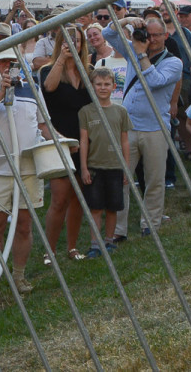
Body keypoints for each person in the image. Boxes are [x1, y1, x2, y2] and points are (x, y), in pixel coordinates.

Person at [0, 47, 51, 295]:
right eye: (2, 61)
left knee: (24, 225)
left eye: (11, 62)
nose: (7, 66)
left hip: (27, 168)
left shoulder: (32, 89)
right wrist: (1, 93)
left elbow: (42, 124)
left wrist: (60, 140)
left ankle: (19, 276)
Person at [104, 14, 182, 239]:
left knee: (154, 179)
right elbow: (108, 33)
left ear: (166, 36)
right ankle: (118, 230)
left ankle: (151, 224)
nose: (153, 39)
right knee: (121, 178)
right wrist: (127, 20)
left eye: (157, 35)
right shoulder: (134, 49)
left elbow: (155, 81)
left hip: (155, 128)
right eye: (149, 35)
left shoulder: (173, 62)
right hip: (128, 127)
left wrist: (140, 54)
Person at [38, 25, 91, 263]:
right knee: (59, 198)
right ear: (60, 43)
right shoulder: (48, 70)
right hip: (59, 138)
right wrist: (62, 58)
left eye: (77, 41)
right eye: (68, 41)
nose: (73, 45)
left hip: (84, 140)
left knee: (78, 197)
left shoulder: (88, 71)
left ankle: (71, 247)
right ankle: (49, 250)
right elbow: (49, 88)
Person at [78, 67, 131, 258]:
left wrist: (126, 167)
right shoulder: (85, 112)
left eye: (106, 84)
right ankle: (95, 244)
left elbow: (125, 141)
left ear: (114, 87)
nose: (102, 88)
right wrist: (84, 167)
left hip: (115, 166)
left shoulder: (121, 111)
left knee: (112, 206)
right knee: (96, 207)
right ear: (92, 87)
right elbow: (83, 141)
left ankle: (109, 241)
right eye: (98, 84)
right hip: (94, 167)